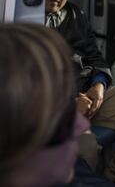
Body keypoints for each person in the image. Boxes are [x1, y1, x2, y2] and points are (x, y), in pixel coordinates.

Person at [45, 0, 115, 186]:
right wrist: (70, 105)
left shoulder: (75, 14)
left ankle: (114, 178)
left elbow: (95, 56)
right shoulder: (22, 20)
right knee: (86, 148)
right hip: (52, 108)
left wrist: (99, 84)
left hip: (89, 93)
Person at [0, 23, 90, 186]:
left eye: (68, 107)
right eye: (60, 121)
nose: (83, 125)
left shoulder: (76, 17)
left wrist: (100, 83)